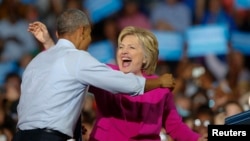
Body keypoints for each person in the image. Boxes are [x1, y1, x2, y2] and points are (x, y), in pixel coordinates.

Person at [12, 9, 176, 141]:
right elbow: (122, 83)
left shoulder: (36, 61)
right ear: (82, 31)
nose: (90, 41)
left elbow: (55, 85)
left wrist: (70, 125)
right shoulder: (78, 59)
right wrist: (159, 82)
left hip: (20, 136)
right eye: (90, 34)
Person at [31, 20, 207, 141]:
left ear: (145, 57)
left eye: (131, 47)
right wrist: (48, 43)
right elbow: (70, 68)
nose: (123, 51)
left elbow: (174, 126)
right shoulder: (106, 73)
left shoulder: (161, 87)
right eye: (121, 47)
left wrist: (197, 139)